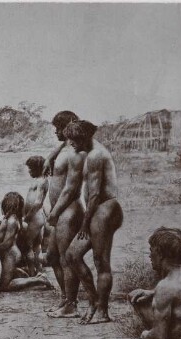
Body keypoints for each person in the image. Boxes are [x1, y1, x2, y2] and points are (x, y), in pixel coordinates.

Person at [98, 228, 181, 339]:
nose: (149, 255)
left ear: (160, 254)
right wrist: (152, 292)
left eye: (151, 250)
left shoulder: (166, 286)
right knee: (141, 301)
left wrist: (144, 334)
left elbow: (158, 337)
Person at [61, 120, 124, 324]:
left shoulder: (96, 155)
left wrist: (85, 223)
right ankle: (95, 301)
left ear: (83, 138)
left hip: (105, 209)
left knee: (100, 261)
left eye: (73, 139)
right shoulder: (89, 153)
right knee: (72, 254)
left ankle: (102, 311)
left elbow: (95, 194)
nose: (70, 143)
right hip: (99, 210)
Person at [44, 111, 85, 317]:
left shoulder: (75, 153)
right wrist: (51, 154)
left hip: (68, 210)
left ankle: (71, 304)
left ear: (67, 127)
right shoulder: (66, 148)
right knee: (52, 256)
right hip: (60, 212)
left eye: (58, 129)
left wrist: (55, 212)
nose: (55, 132)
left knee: (66, 258)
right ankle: (64, 298)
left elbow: (71, 189)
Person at [23, 156, 48, 276]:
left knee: (28, 246)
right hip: (38, 216)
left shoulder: (41, 181)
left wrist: (27, 217)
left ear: (37, 168)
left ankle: (32, 273)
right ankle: (39, 270)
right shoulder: (40, 180)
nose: (28, 171)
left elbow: (38, 202)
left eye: (30, 169)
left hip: (34, 217)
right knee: (37, 245)